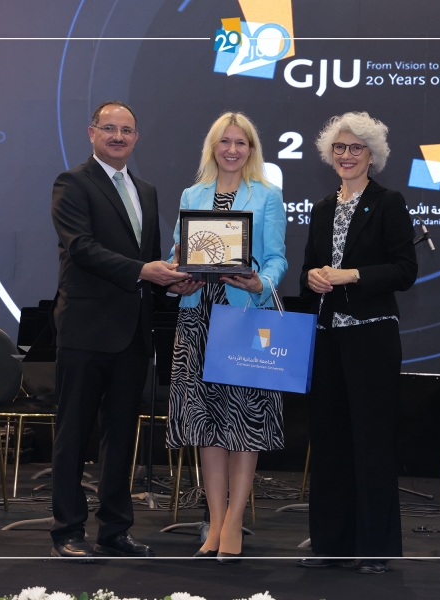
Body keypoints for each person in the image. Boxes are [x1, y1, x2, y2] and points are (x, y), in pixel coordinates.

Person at [49, 100, 190, 560]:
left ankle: (114, 530)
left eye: (126, 130)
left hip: (134, 333)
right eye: (108, 128)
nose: (118, 137)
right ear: (91, 133)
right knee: (74, 434)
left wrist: (173, 282)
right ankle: (68, 531)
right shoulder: (72, 183)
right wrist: (145, 270)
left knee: (122, 435)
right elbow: (81, 248)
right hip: (85, 329)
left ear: (136, 138)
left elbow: (149, 259)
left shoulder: (146, 190)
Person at [298, 112, 418, 574]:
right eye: (340, 148)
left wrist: (353, 275)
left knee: (371, 443)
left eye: (356, 148)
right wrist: (311, 277)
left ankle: (374, 548)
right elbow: (308, 271)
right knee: (329, 442)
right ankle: (331, 545)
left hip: (372, 336)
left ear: (373, 155)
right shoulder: (321, 208)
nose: (346, 155)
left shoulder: (389, 203)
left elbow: (404, 271)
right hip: (327, 336)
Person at [165, 112, 287, 562]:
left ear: (251, 150)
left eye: (241, 142)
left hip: (244, 320)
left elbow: (276, 259)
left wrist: (260, 284)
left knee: (243, 425)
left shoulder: (267, 195)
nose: (232, 150)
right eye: (225, 141)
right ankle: (215, 522)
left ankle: (235, 520)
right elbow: (179, 251)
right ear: (212, 147)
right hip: (197, 319)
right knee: (206, 425)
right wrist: (177, 275)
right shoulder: (191, 194)